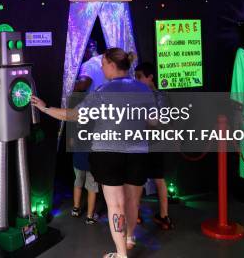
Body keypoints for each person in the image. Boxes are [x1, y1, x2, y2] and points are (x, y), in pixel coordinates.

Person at [31, 48, 153, 258]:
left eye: (103, 64)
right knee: (133, 201)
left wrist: (45, 109)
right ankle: (130, 238)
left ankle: (122, 254)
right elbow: (153, 122)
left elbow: (74, 115)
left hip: (108, 153)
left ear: (111, 65)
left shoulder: (102, 91)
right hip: (137, 152)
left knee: (116, 205)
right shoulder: (143, 90)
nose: (101, 68)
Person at [135, 62, 175, 230]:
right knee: (155, 179)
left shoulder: (142, 95)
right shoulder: (162, 95)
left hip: (148, 142)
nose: (137, 80)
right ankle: (163, 216)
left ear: (150, 77)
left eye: (139, 77)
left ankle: (137, 215)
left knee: (138, 180)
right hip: (155, 141)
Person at [71, 39, 105, 224]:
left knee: (79, 179)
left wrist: (69, 84)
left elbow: (83, 84)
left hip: (82, 146)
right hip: (98, 141)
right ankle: (91, 216)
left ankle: (76, 208)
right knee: (93, 183)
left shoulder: (88, 66)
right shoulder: (104, 62)